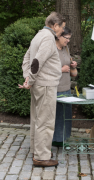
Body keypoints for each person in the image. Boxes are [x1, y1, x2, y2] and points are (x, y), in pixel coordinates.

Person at [19, 12, 66, 167]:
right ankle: (41, 156)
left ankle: (37, 150)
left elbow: (27, 59)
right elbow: (36, 62)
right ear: (55, 25)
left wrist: (28, 77)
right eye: (61, 28)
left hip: (39, 84)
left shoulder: (38, 36)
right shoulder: (47, 37)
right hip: (45, 85)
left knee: (37, 119)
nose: (62, 32)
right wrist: (30, 80)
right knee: (45, 121)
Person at [52, 27, 78, 147]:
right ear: (59, 36)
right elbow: (44, 69)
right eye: (66, 38)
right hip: (54, 89)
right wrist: (60, 70)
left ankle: (63, 138)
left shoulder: (66, 49)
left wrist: (73, 66)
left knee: (65, 116)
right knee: (56, 116)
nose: (68, 41)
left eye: (69, 38)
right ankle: (54, 140)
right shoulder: (51, 49)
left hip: (66, 89)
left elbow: (74, 74)